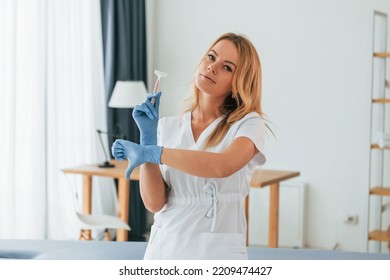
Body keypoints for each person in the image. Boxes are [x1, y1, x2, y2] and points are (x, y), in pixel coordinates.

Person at [111, 32, 267, 260]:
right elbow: (155, 203)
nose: (212, 67)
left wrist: (155, 153)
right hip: (166, 249)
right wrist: (148, 140)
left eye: (227, 68)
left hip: (217, 253)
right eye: (211, 57)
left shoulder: (248, 124)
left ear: (238, 83)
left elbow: (221, 166)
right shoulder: (168, 126)